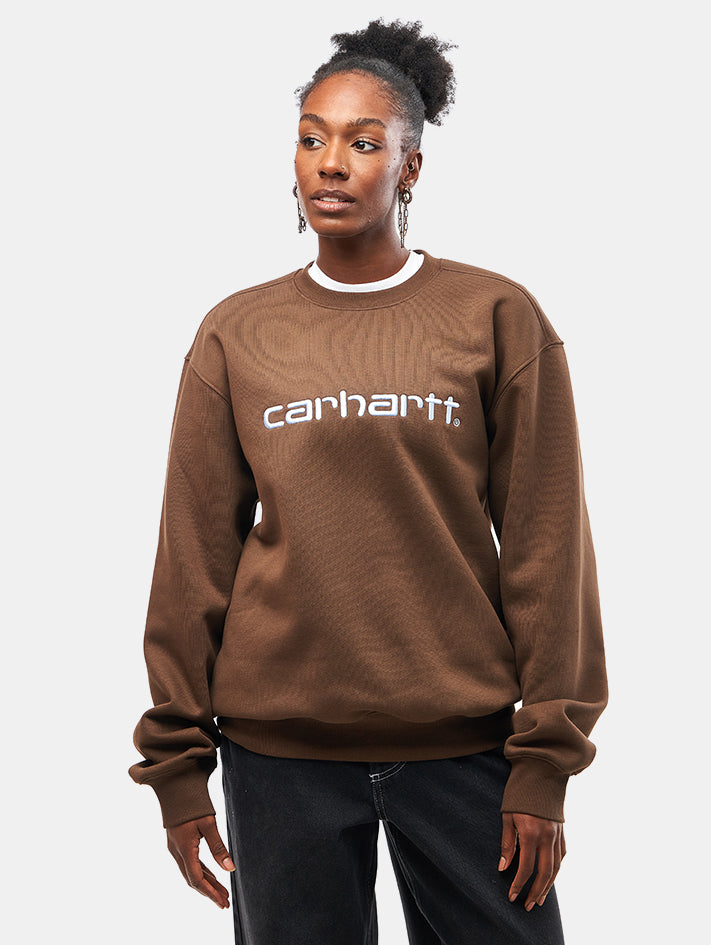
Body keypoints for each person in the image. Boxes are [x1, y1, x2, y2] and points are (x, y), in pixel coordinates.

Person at [129, 18, 608, 945]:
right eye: (312, 138)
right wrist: (179, 766)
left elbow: (548, 551)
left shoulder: (495, 316)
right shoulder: (238, 333)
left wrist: (545, 759)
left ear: (410, 165)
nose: (331, 164)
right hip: (278, 757)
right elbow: (192, 558)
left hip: (465, 750)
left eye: (363, 142)